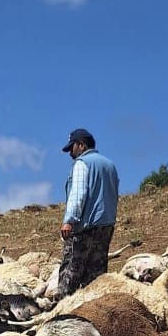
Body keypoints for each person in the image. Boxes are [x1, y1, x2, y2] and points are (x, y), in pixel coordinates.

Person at [57, 128, 119, 299]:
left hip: (85, 227)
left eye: (72, 147)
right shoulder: (110, 165)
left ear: (81, 145)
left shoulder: (82, 164)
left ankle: (62, 308)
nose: (70, 152)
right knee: (96, 274)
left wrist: (69, 220)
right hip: (106, 225)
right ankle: (95, 306)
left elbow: (78, 193)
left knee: (71, 271)